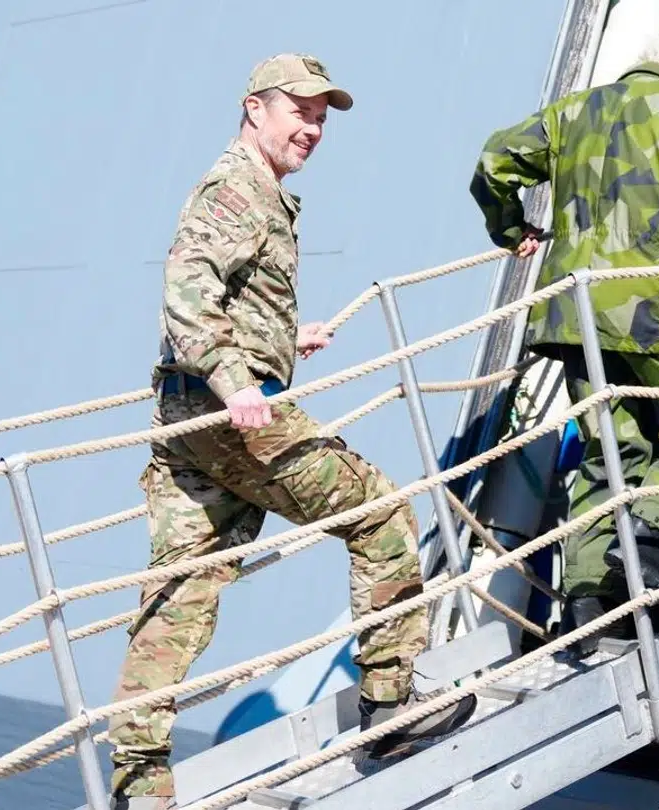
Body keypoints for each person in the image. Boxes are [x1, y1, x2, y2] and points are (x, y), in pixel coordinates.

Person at [107, 53, 475, 809]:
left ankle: (140, 786)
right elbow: (186, 289)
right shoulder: (236, 189)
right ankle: (388, 706)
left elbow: (225, 296)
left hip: (190, 414)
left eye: (321, 117)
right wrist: (241, 382)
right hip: (234, 419)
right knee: (378, 513)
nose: (312, 128)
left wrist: (279, 337)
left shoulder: (259, 191)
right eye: (299, 111)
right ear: (254, 109)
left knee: (180, 593)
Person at [468, 27, 659, 650]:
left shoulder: (574, 112)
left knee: (609, 448)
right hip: (653, 316)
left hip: (572, 316)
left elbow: (493, 162)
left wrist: (512, 228)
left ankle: (587, 603)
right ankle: (647, 538)